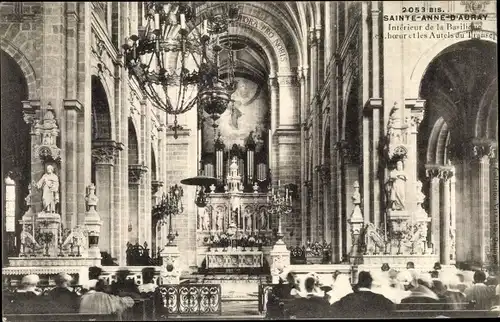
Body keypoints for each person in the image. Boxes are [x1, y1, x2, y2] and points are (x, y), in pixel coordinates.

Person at [330, 271, 394, 318]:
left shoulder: (348, 298)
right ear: (370, 284)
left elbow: (332, 309)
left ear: (358, 283)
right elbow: (392, 308)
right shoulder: (380, 299)